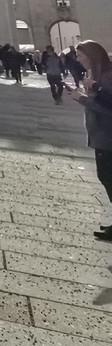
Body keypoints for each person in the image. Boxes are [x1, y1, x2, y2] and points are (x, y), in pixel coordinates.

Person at [73, 41, 112, 240]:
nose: (78, 60)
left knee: (108, 177)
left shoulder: (106, 77)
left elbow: (107, 108)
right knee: (106, 177)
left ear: (92, 55)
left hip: (108, 136)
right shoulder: (94, 75)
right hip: (101, 136)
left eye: (81, 56)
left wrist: (82, 98)